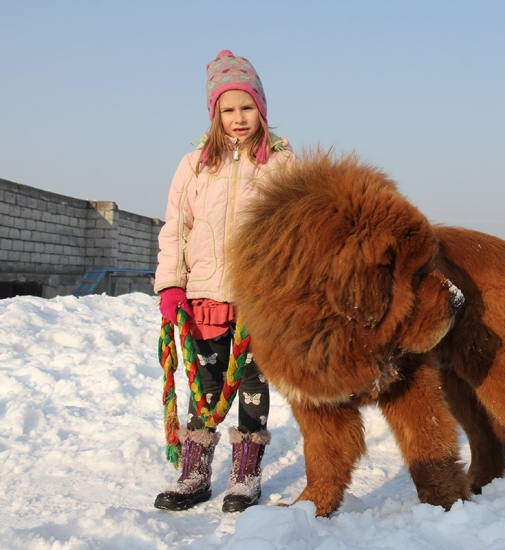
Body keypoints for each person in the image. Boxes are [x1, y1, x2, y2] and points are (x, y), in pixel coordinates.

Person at [153, 50, 294, 513]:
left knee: (253, 385)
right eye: (228, 109)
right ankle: (194, 473)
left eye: (247, 107)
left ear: (263, 108)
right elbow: (176, 228)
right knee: (205, 386)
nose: (238, 118)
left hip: (259, 302)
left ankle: (245, 476)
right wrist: (172, 285)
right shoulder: (195, 165)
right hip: (206, 298)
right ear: (214, 112)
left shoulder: (282, 164)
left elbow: (297, 233)